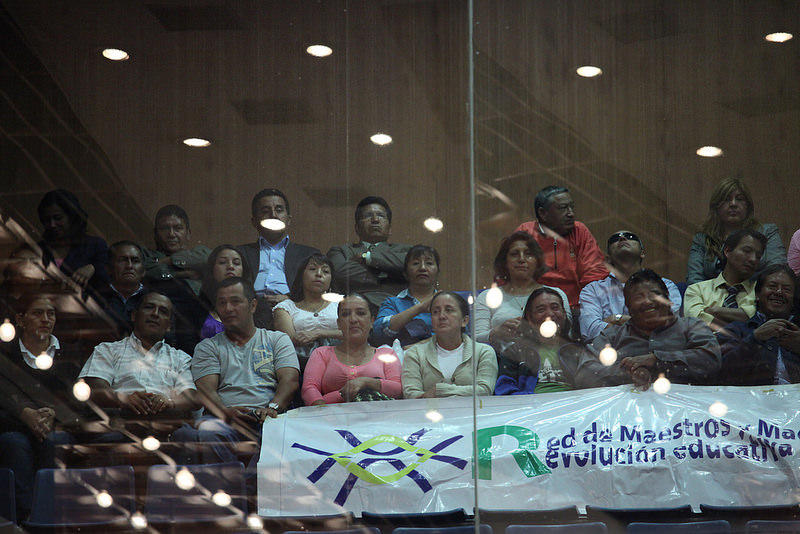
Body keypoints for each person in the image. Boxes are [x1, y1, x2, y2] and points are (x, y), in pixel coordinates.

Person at [191, 277, 299, 463]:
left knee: (282, 436)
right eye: (222, 303)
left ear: (253, 305)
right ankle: (236, 479)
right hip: (222, 419)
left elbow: (290, 381)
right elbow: (206, 390)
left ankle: (245, 479)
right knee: (208, 432)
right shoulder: (207, 347)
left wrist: (272, 408)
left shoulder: (277, 340)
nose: (228, 308)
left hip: (270, 418)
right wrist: (224, 412)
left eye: (235, 301)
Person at [79, 292, 198, 455]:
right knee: (108, 439)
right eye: (149, 307)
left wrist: (169, 402)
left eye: (163, 311)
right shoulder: (108, 350)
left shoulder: (181, 358)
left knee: (189, 437)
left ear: (169, 326)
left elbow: (190, 397)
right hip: (121, 423)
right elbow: (94, 387)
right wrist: (122, 398)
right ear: (134, 315)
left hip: (165, 425)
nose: (155, 314)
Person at [0, 293, 81, 522]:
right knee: (14, 443)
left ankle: (49, 518)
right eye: (37, 313)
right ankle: (25, 520)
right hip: (13, 428)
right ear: (20, 319)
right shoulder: (4, 355)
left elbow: (79, 403)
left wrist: (53, 414)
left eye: (50, 314)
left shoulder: (70, 354)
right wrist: (24, 414)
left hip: (54, 428)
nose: (46, 319)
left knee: (57, 442)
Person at [575, 269, 721, 389]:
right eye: (638, 297)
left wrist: (658, 360)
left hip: (689, 410)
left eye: (654, 294)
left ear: (668, 300)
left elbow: (711, 360)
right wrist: (628, 372)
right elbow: (584, 374)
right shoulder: (611, 336)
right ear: (628, 307)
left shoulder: (691, 326)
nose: (647, 301)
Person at [515, 185, 608, 313]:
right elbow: (512, 274)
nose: (571, 214)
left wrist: (590, 307)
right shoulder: (526, 233)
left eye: (571, 207)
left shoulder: (579, 230)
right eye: (563, 208)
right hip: (534, 307)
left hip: (576, 307)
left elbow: (594, 273)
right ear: (543, 213)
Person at [239, 189, 320, 329]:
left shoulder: (309, 255)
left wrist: (292, 300)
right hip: (251, 310)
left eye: (279, 210)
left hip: (294, 310)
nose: (273, 215)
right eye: (265, 211)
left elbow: (320, 292)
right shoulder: (240, 254)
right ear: (254, 221)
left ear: (288, 219)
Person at [579, 230, 682, 341]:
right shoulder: (592, 290)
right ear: (608, 259)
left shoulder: (666, 285)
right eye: (615, 239)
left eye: (630, 236)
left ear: (642, 253)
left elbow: (668, 324)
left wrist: (617, 319)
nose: (622, 238)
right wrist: (642, 324)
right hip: (610, 349)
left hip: (658, 347)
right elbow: (590, 331)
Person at [301, 294, 401, 405]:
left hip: (380, 413)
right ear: (339, 324)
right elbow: (309, 388)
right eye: (346, 314)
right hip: (331, 414)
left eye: (360, 313)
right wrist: (323, 408)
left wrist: (367, 382)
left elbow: (398, 390)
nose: (353, 319)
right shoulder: (322, 353)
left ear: (372, 321)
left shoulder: (387, 354)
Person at [475, 231, 570, 346]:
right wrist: (495, 333)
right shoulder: (488, 297)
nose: (521, 259)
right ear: (505, 261)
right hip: (497, 356)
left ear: (537, 260)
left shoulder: (556, 294)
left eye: (528, 254)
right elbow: (474, 341)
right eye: (514, 254)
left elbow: (569, 335)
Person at [686, 176, 785, 284]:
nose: (733, 204)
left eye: (739, 199)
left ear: (748, 206)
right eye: (727, 199)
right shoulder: (703, 239)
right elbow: (694, 279)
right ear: (716, 206)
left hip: (756, 293)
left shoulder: (767, 232)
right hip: (710, 294)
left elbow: (777, 272)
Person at [402, 291, 498, 398]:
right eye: (435, 312)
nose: (441, 316)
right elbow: (410, 395)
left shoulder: (483, 352)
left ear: (464, 321)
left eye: (449, 310)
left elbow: (485, 390)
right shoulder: (415, 354)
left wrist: (440, 391)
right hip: (428, 409)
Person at [717, 264, 800, 385]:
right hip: (751, 396)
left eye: (786, 289)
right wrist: (755, 339)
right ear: (757, 295)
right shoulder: (735, 330)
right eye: (772, 286)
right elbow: (721, 374)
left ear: (793, 300)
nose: (779, 292)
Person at [142, 205, 209, 353]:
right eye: (165, 229)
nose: (171, 234)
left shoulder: (200, 252)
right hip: (159, 328)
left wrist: (168, 261)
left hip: (197, 328)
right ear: (155, 234)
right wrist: (183, 273)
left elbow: (209, 258)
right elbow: (148, 270)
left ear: (188, 233)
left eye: (178, 228)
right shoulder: (147, 256)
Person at [327, 196, 411, 311]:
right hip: (352, 312)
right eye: (368, 216)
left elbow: (411, 266)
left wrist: (367, 258)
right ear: (357, 227)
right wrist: (391, 272)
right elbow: (340, 275)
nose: (375, 220)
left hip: (397, 312)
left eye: (381, 215)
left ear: (390, 228)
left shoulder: (405, 250)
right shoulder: (340, 251)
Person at [493, 287, 582, 395]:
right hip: (530, 404)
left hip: (574, 403)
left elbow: (592, 386)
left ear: (564, 314)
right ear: (530, 318)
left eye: (555, 308)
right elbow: (504, 389)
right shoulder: (514, 352)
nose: (549, 314)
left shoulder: (578, 351)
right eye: (541, 310)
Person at [684, 229, 765, 331]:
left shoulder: (760, 291)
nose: (753, 259)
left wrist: (715, 311)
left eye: (758, 256)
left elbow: (757, 318)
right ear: (727, 251)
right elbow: (695, 323)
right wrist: (741, 329)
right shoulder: (697, 290)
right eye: (747, 251)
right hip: (706, 341)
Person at [274, 253, 342, 367]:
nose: (319, 274)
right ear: (301, 275)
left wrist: (317, 333)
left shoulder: (342, 303)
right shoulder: (285, 308)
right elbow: (288, 341)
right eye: (312, 269)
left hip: (342, 359)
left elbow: (354, 333)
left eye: (325, 271)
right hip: (300, 363)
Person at [36, 189, 109, 292]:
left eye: (58, 218)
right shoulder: (39, 248)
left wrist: (93, 268)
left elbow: (108, 278)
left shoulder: (95, 245)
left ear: (72, 217)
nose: (52, 225)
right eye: (47, 220)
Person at [373, 245, 440, 347]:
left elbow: (459, 335)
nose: (422, 268)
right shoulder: (392, 303)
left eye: (429, 263)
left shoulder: (448, 302)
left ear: (438, 272)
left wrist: (417, 347)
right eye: (416, 263)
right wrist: (420, 308)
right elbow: (379, 332)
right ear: (405, 273)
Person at [198, 245, 253, 340]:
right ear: (212, 269)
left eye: (236, 263)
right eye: (222, 262)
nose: (230, 266)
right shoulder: (197, 305)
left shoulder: (258, 305)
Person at [98, 240, 147, 338]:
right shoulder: (95, 298)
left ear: (143, 271)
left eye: (135, 261)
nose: (129, 266)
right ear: (108, 268)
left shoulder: (153, 300)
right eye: (122, 260)